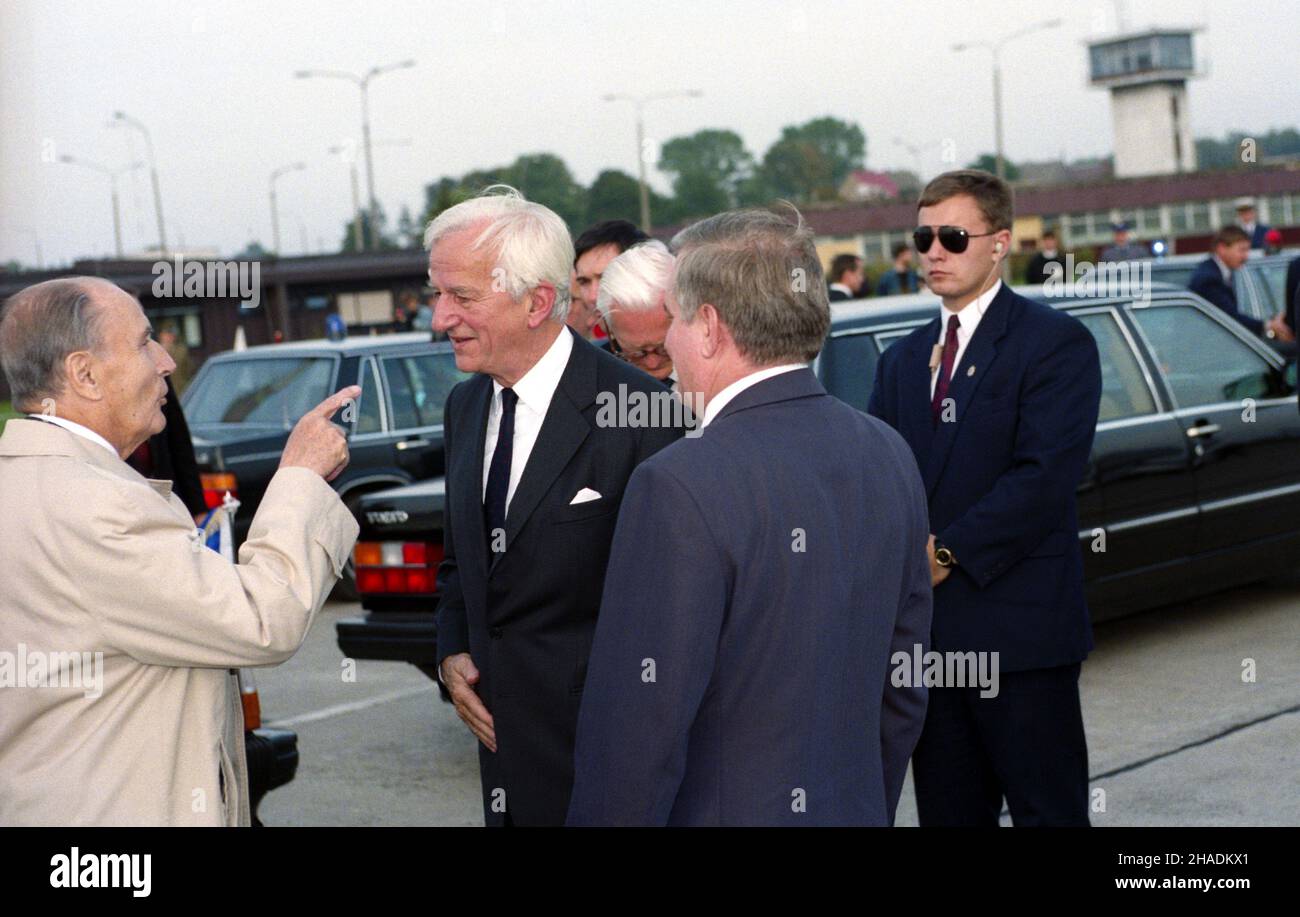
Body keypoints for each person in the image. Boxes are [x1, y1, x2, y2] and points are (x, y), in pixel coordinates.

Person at [566, 208, 932, 826]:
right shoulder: (887, 450)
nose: (669, 346)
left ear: (707, 326)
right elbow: (906, 686)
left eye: (675, 319)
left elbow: (638, 732)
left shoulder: (678, 483)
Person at [0, 277, 359, 826]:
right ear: (84, 374)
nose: (166, 360)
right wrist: (301, 478)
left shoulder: (27, 482)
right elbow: (264, 617)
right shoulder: (96, 506)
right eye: (145, 342)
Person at [427, 187, 681, 826]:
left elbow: (675, 610)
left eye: (461, 297)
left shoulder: (645, 414)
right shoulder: (464, 409)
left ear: (538, 301)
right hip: (504, 774)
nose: (439, 318)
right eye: (437, 294)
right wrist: (452, 652)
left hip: (609, 775)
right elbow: (463, 566)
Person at [868, 170, 1102, 826]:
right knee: (948, 814)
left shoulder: (1053, 344)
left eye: (952, 236)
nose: (934, 251)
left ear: (1000, 242)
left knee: (1047, 812)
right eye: (923, 236)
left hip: (1021, 637)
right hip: (930, 643)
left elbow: (1044, 476)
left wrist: (945, 551)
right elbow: (885, 476)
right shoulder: (903, 360)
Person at [596, 240, 675, 382]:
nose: (653, 363)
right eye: (637, 353)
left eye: (664, 349)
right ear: (608, 328)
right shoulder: (593, 376)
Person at [1187, 225, 1287, 338]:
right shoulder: (1209, 279)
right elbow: (1229, 318)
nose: (1246, 256)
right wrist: (1268, 325)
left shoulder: (1217, 271)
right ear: (1222, 248)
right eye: (1242, 250)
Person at [567, 219, 649, 341]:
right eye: (584, 282)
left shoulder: (681, 351)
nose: (593, 297)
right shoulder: (591, 357)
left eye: (605, 278)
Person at [157, 323, 195, 393]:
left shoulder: (182, 351)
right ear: (161, 335)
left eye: (171, 334)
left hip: (181, 391)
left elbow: (189, 371)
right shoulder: (154, 351)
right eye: (166, 333)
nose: (169, 336)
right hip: (162, 393)